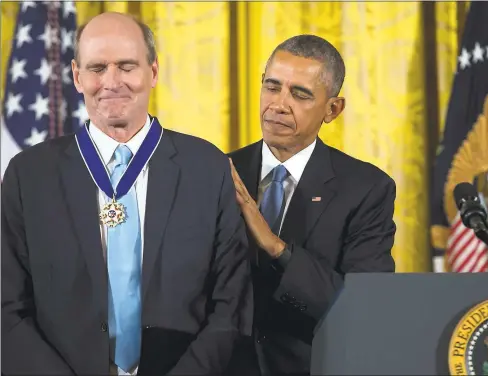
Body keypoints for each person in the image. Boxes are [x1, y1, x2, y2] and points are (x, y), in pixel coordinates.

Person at [1, 12, 252, 376]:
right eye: (97, 68)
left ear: (153, 72)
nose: (111, 82)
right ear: (76, 76)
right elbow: (7, 307)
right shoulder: (28, 175)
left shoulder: (208, 168)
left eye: (127, 66)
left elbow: (232, 305)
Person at [226, 34, 396, 375]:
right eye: (271, 87)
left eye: (299, 94)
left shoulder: (366, 189)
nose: (278, 104)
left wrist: (276, 247)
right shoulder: (220, 172)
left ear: (333, 109)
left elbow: (361, 308)